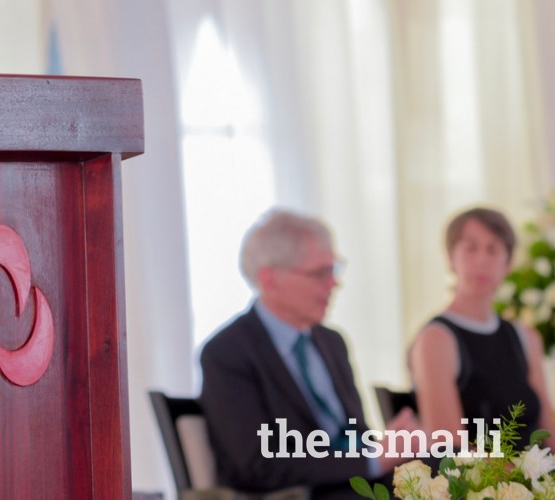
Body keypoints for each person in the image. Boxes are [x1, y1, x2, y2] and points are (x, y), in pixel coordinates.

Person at [199, 210, 421, 500]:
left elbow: (356, 434)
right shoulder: (227, 353)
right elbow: (257, 464)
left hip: (353, 482)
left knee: (454, 470)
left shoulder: (332, 342)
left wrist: (389, 445)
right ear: (270, 280)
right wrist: (372, 460)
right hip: (301, 493)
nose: (334, 284)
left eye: (334, 269)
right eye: (320, 273)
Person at [409, 207, 555, 449]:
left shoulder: (525, 336)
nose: (482, 260)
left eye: (493, 249)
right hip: (487, 483)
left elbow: (547, 430)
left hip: (541, 478)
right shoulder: (435, 340)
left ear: (508, 263)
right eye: (470, 248)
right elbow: (451, 450)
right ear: (450, 258)